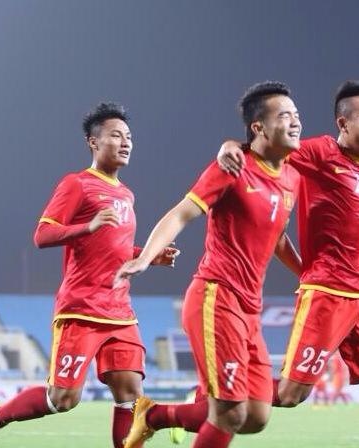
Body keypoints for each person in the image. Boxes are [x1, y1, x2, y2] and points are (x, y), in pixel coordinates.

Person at [217, 80, 359, 448]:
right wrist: (231, 146)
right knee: (291, 395)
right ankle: (203, 403)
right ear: (343, 123)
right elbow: (264, 150)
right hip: (327, 294)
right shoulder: (318, 153)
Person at [0, 102, 178, 448]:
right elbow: (42, 235)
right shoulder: (77, 184)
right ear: (93, 142)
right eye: (115, 135)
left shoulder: (126, 194)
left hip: (120, 311)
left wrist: (148, 256)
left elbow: (115, 246)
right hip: (82, 309)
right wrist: (86, 226)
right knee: (62, 399)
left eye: (129, 136)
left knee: (131, 397)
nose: (125, 142)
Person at [116, 81, 302, 448]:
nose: (296, 122)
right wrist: (145, 257)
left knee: (256, 416)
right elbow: (181, 213)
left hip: (250, 308)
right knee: (230, 413)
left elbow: (277, 235)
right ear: (259, 127)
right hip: (217, 298)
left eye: (297, 115)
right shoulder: (232, 167)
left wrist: (306, 273)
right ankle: (161, 415)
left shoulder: (292, 176)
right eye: (285, 116)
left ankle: (153, 415)